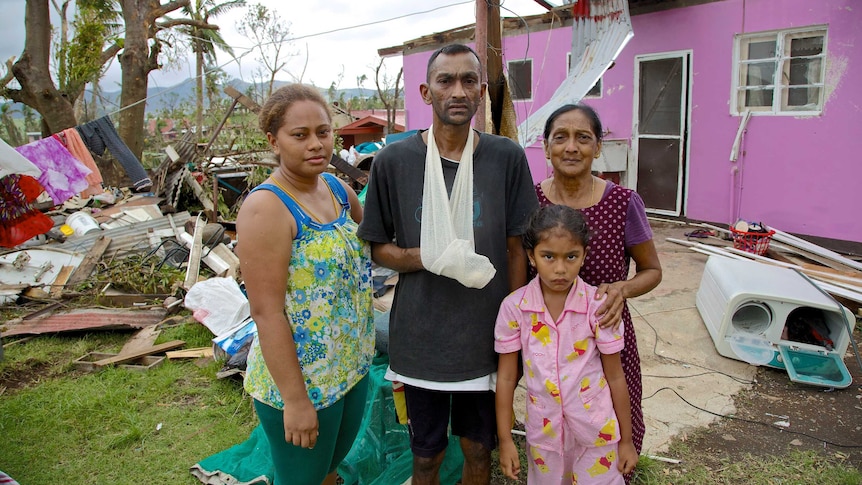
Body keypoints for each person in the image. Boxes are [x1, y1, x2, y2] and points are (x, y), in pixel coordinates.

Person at [358, 43, 539, 485]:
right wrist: (432, 257)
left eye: (468, 81)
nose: (457, 91)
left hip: (486, 336)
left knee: (479, 452)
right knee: (426, 457)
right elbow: (377, 248)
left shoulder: (505, 158)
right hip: (422, 338)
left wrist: (513, 325)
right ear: (426, 91)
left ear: (481, 92)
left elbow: (518, 247)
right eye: (445, 81)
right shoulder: (394, 161)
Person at [236, 84, 375, 485]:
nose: (316, 144)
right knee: (302, 479)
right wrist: (296, 402)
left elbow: (375, 245)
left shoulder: (336, 189)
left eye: (324, 132)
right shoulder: (268, 208)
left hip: (349, 365)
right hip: (303, 379)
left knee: (328, 469)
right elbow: (266, 311)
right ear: (273, 141)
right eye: (300, 135)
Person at [535, 104, 662, 472]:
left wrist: (623, 288)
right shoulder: (530, 201)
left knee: (614, 428)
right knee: (556, 432)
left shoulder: (622, 203)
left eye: (583, 138)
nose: (571, 147)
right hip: (551, 345)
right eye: (560, 137)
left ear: (598, 147)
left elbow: (652, 270)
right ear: (546, 147)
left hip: (608, 340)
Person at [495, 204, 637, 484]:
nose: (560, 268)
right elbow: (507, 377)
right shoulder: (515, 308)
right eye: (548, 256)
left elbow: (616, 376)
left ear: (584, 256)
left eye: (571, 256)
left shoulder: (600, 307)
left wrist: (627, 440)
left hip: (597, 434)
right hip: (544, 438)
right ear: (531, 256)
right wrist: (505, 439)